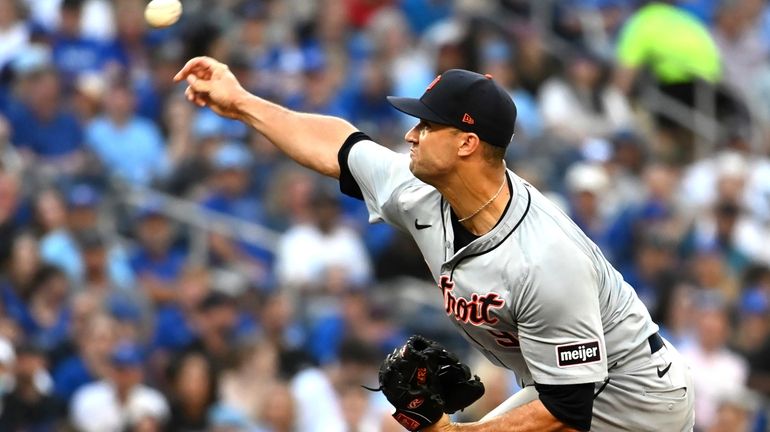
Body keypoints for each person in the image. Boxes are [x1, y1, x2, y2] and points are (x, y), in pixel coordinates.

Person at [174, 56, 695, 431]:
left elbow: (568, 412)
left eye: (426, 124)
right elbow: (339, 145)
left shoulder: (544, 258)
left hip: (635, 405)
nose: (410, 135)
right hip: (560, 386)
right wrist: (241, 103)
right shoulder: (423, 193)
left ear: (467, 143)